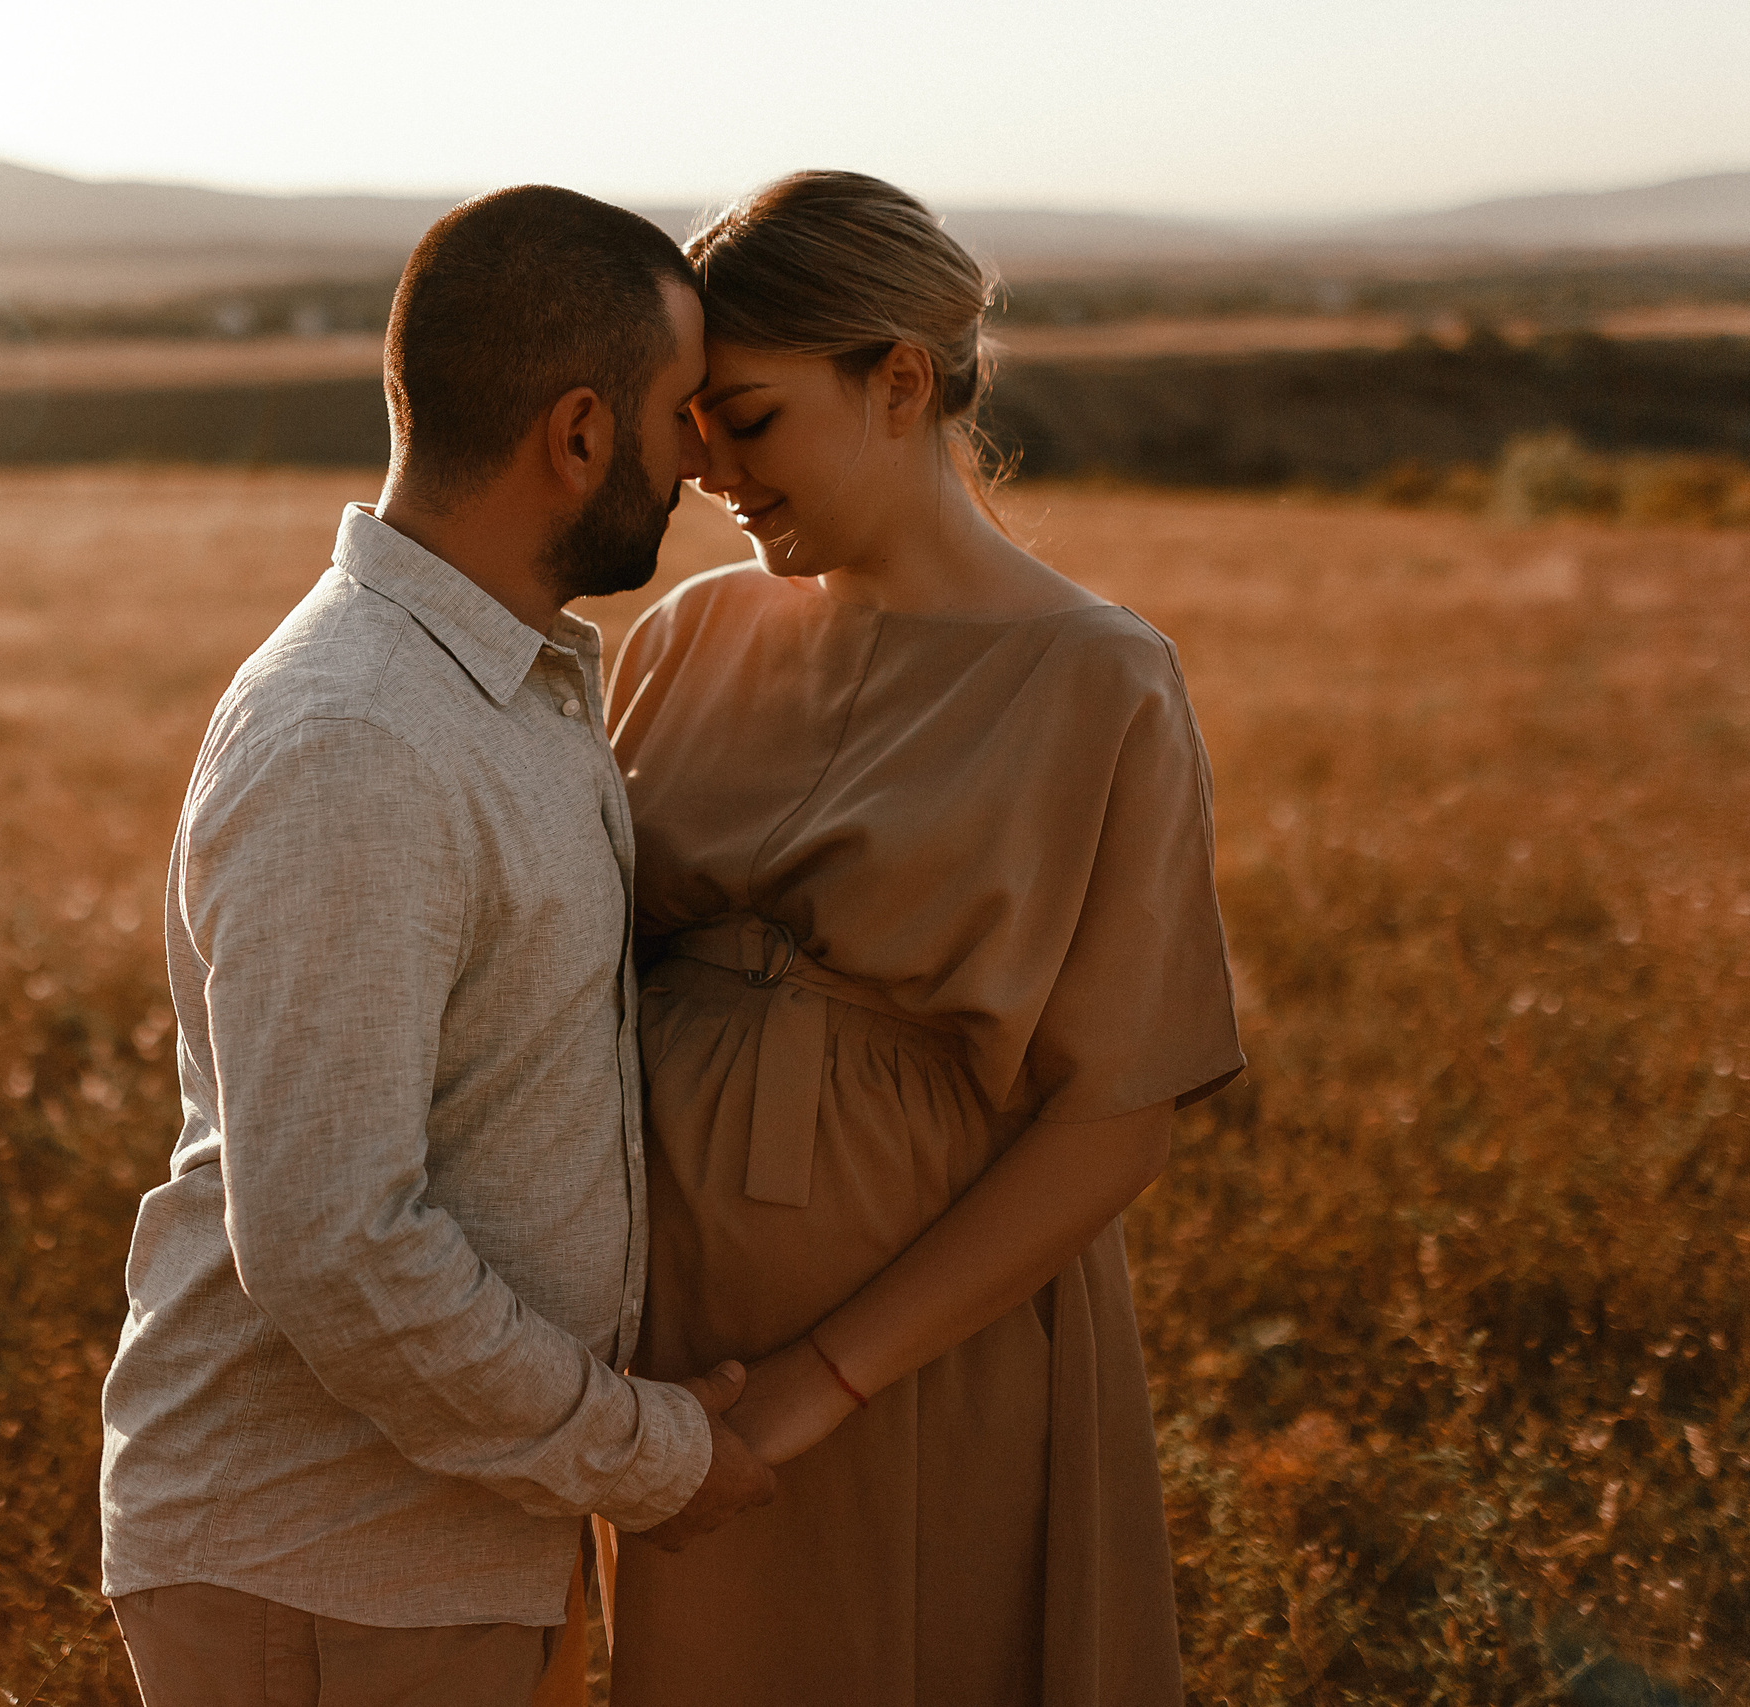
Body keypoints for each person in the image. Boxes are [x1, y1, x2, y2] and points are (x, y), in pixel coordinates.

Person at [98, 184, 777, 1707]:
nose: (699, 460)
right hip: (326, 1568)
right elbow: (336, 1239)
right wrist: (648, 1453)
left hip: (450, 1551)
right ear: (581, 433)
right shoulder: (358, 737)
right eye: (679, 416)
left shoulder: (496, 688)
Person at [602, 170, 1246, 1705]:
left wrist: (820, 1387)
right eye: (691, 425)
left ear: (898, 382)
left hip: (923, 1365)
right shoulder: (690, 639)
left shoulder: (1101, 680)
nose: (707, 472)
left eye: (746, 419)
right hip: (668, 1363)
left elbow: (1114, 1120)